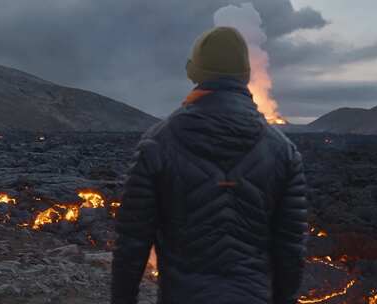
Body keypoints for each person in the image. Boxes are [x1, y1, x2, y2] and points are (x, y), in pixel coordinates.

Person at [111, 27, 308, 304]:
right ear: (246, 75)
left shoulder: (158, 143)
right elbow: (290, 248)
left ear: (194, 73)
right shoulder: (283, 151)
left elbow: (132, 242)